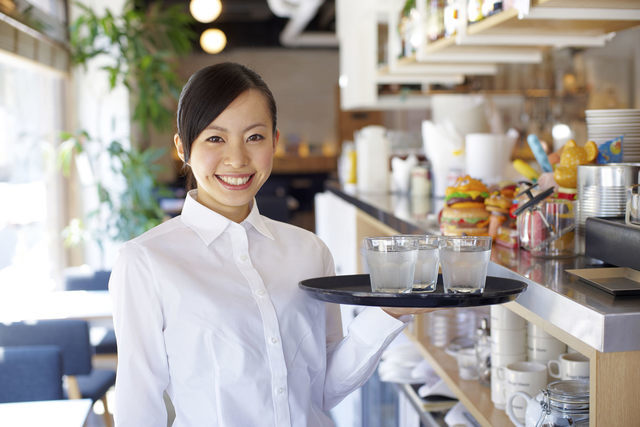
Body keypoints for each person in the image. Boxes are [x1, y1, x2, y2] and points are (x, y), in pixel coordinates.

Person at [109, 62, 431, 426]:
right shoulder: (146, 261)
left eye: (254, 137)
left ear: (275, 142)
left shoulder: (309, 251)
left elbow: (323, 389)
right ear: (183, 147)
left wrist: (389, 311)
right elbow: (139, 406)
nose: (237, 159)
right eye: (215, 138)